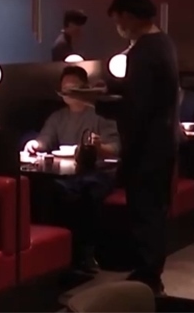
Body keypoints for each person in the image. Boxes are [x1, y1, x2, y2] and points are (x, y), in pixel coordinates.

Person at [105, 0, 179, 294]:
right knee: (154, 212)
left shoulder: (144, 50)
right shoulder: (164, 43)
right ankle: (149, 274)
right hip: (163, 143)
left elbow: (138, 107)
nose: (118, 26)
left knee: (145, 212)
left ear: (129, 16)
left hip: (147, 146)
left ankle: (147, 279)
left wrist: (102, 103)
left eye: (118, 19)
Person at [23, 66, 120, 272]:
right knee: (52, 190)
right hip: (68, 173)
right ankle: (58, 256)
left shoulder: (100, 115)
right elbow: (45, 139)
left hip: (100, 172)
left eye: (73, 87)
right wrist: (35, 144)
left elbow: (116, 148)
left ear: (85, 88)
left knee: (86, 191)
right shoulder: (58, 117)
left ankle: (85, 254)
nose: (68, 92)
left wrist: (99, 148)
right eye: (64, 88)